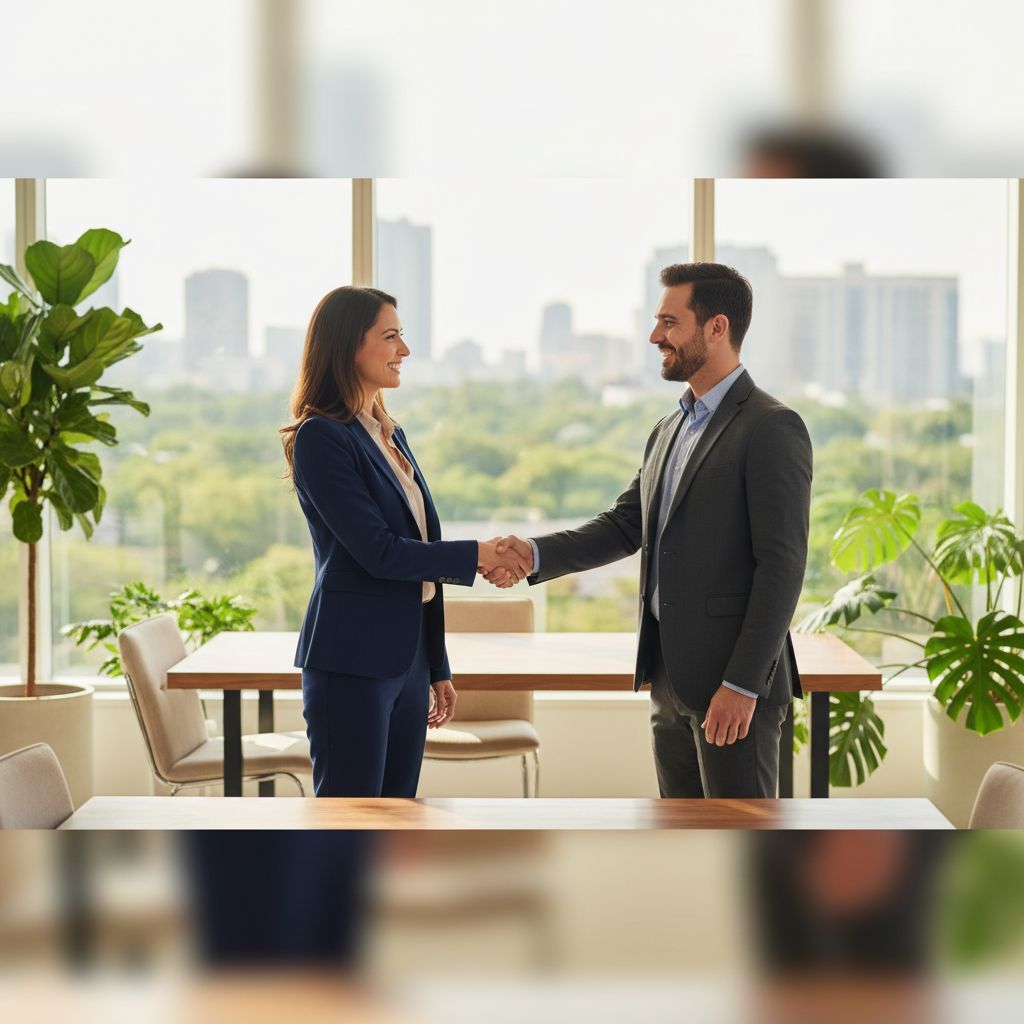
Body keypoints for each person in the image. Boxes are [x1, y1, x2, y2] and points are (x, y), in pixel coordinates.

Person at [483, 263, 812, 799]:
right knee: (680, 841)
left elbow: (783, 568)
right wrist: (532, 554)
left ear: (717, 328)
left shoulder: (771, 427)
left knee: (741, 848)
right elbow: (623, 526)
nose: (655, 335)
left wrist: (742, 684)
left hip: (733, 688)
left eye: (668, 321)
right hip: (669, 678)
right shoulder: (669, 428)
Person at [281, 285, 530, 797]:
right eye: (391, 336)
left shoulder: (390, 434)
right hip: (352, 661)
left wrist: (436, 664)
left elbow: (417, 555)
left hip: (407, 661)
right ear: (349, 346)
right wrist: (479, 554)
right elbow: (380, 552)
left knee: (397, 819)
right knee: (349, 825)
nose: (404, 350)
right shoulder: (321, 437)